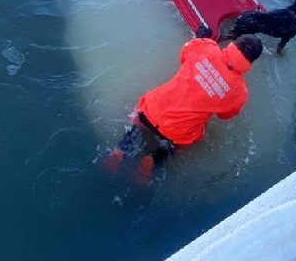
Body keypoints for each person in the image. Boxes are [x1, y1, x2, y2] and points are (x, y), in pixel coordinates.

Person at [104, 24, 264, 185]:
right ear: (251, 62)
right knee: (181, 143)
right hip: (177, 131)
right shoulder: (239, 91)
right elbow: (225, 115)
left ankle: (121, 148)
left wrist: (202, 36)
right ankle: (154, 158)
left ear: (234, 43)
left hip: (153, 109)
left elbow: (184, 54)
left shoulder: (207, 47)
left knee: (139, 117)